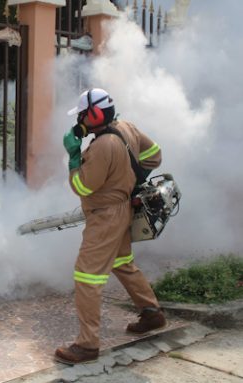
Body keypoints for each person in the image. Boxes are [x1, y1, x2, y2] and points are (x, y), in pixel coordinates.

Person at [55, 88, 166, 365]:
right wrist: (132, 177)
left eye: (82, 115)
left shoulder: (102, 146)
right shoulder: (126, 127)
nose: (79, 120)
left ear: (93, 114)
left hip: (105, 216)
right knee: (123, 262)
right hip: (124, 208)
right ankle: (151, 313)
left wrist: (72, 155)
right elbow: (154, 155)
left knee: (87, 277)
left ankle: (87, 345)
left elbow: (82, 186)